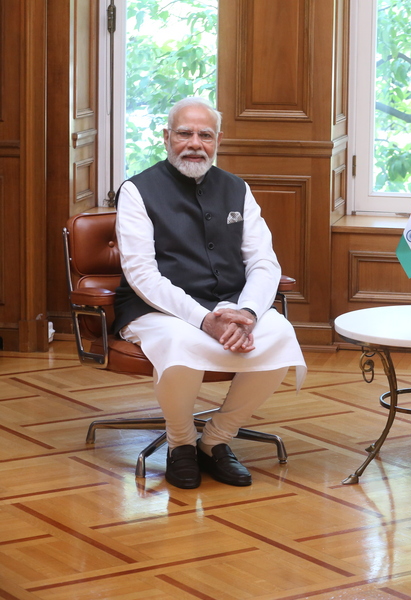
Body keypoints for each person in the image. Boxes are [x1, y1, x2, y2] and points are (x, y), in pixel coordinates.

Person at [113, 96, 307, 489]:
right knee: (179, 340)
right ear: (166, 137)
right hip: (157, 307)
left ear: (218, 140)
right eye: (184, 134)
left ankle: (216, 439)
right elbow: (142, 274)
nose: (194, 144)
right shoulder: (136, 190)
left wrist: (248, 312)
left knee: (279, 334)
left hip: (229, 305)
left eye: (205, 135)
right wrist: (204, 320)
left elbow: (264, 262)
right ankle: (180, 443)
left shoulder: (237, 188)